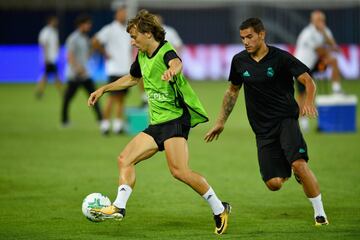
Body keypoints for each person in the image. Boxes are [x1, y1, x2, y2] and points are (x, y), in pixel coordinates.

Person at [88, 10, 231, 235]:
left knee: (179, 171)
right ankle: (119, 207)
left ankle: (219, 208)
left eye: (134, 36)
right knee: (125, 159)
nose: (132, 41)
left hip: (174, 121)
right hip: (157, 124)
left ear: (147, 33)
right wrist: (103, 89)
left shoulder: (165, 50)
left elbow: (176, 63)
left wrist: (172, 72)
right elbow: (132, 79)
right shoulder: (142, 56)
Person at [205, 18, 328, 226]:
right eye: (242, 37)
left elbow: (308, 79)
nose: (245, 41)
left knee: (299, 164)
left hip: (285, 120)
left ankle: (320, 214)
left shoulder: (281, 58)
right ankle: (293, 172)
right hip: (262, 129)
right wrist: (220, 121)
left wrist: (308, 101)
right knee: (274, 184)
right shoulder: (239, 61)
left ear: (262, 35)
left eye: (250, 37)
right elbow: (232, 91)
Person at [294, 10, 342, 131]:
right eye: (317, 20)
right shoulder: (308, 33)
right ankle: (303, 121)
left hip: (313, 63)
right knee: (302, 95)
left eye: (321, 20)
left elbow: (334, 47)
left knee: (333, 61)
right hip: (300, 65)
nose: (320, 22)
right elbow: (320, 51)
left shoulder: (325, 31)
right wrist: (329, 51)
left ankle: (336, 89)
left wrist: (325, 35)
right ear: (312, 21)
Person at [92, 4, 132, 135]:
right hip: (114, 69)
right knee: (111, 98)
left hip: (125, 69)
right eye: (121, 13)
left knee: (121, 99)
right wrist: (104, 53)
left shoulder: (128, 30)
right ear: (116, 14)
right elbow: (95, 41)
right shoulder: (109, 29)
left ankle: (118, 125)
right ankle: (104, 125)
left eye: (124, 13)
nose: (123, 15)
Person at [61, 14, 103, 129]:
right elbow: (69, 55)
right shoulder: (73, 38)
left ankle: (101, 119)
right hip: (75, 75)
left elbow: (86, 55)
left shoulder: (85, 38)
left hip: (85, 74)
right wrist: (77, 68)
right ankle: (64, 121)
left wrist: (93, 49)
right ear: (81, 25)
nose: (89, 26)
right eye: (87, 24)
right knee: (68, 98)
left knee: (94, 95)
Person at [36, 15, 62, 99]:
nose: (56, 22)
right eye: (55, 21)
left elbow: (56, 44)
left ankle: (40, 92)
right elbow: (44, 45)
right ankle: (62, 92)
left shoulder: (54, 31)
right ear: (50, 21)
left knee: (47, 76)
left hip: (53, 58)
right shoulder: (46, 31)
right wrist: (45, 58)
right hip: (48, 59)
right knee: (53, 76)